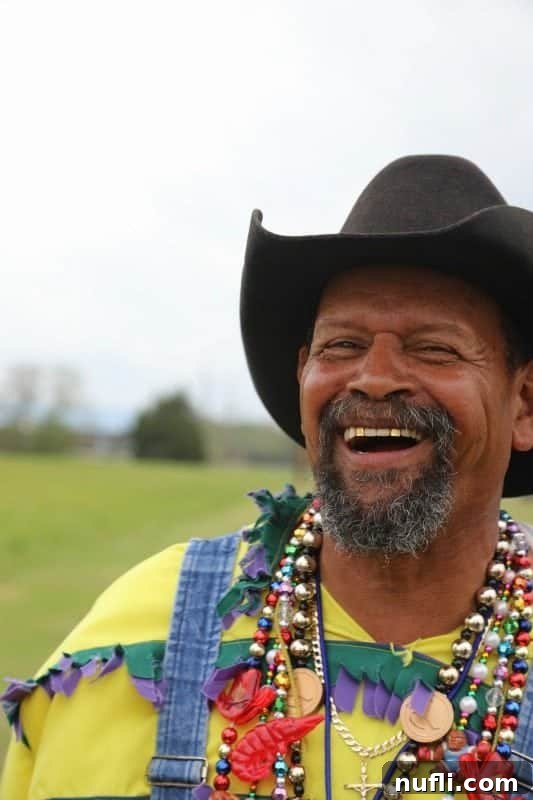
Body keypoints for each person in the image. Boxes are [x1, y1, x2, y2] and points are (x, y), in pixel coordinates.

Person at [2, 154, 533, 800]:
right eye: (341, 345)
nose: (372, 376)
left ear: (523, 404)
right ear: (302, 376)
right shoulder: (133, 642)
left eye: (433, 348)